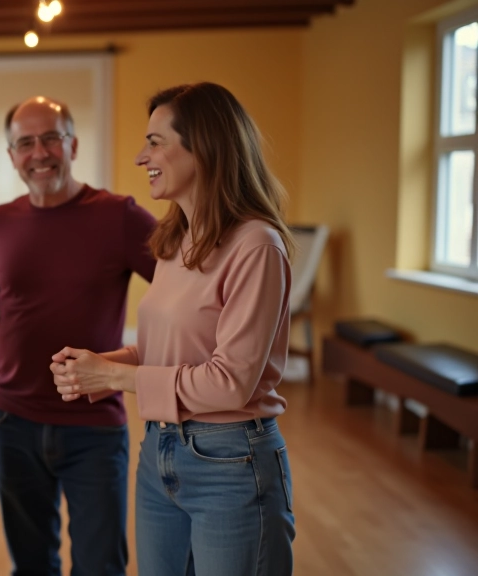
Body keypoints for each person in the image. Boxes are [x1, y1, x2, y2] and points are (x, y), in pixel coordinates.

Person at [50, 82, 297, 575]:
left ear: (204, 147)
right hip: (159, 452)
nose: (142, 157)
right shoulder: (175, 240)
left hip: (231, 462)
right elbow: (161, 352)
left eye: (156, 142)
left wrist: (116, 380)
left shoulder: (256, 246)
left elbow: (231, 381)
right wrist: (96, 367)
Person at [0, 96, 157, 575]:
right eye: (26, 143)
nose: (40, 153)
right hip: (11, 421)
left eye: (51, 137)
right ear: (12, 155)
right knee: (31, 565)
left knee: (101, 566)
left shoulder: (119, 216)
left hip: (94, 426)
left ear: (73, 144)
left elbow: (188, 291)